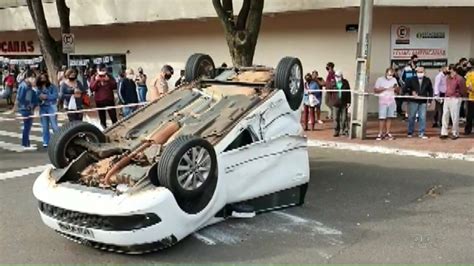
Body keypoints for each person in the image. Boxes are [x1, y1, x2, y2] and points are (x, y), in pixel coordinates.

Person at [403, 67, 433, 139]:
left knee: (422, 117)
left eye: (422, 72)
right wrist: (411, 92)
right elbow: (405, 89)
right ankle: (410, 132)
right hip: (413, 101)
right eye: (419, 72)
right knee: (411, 117)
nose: (420, 73)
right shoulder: (410, 79)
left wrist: (430, 101)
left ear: (424, 72)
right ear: (416, 72)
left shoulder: (427, 80)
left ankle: (421, 133)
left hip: (423, 102)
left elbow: (431, 90)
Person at [440, 65, 467, 140]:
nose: (447, 70)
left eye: (448, 69)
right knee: (445, 115)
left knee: (454, 116)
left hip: (455, 98)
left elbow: (463, 89)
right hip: (447, 97)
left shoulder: (460, 78)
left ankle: (455, 133)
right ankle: (444, 132)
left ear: (452, 70)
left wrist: (460, 96)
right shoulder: (447, 78)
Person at [374, 68, 399, 140]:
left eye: (391, 75)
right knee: (382, 117)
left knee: (389, 117)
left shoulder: (394, 80)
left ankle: (387, 132)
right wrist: (384, 88)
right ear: (386, 73)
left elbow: (397, 89)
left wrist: (396, 88)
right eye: (389, 74)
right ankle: (380, 133)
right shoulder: (380, 79)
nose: (390, 76)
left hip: (391, 101)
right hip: (383, 101)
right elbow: (375, 90)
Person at [36, 73, 59, 147]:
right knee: (45, 126)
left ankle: (58, 140)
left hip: (51, 106)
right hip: (42, 107)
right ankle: (46, 141)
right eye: (41, 78)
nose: (43, 80)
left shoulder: (52, 87)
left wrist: (46, 96)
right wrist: (39, 97)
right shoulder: (38, 88)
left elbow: (55, 96)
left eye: (44, 78)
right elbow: (36, 97)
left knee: (54, 125)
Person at [16, 72, 38, 150]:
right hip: (26, 108)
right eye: (32, 78)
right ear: (27, 78)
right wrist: (27, 106)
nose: (34, 80)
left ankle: (26, 143)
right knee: (27, 126)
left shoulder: (28, 86)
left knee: (28, 126)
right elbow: (21, 98)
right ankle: (25, 144)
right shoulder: (24, 86)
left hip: (28, 107)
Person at [327, 70, 351, 137]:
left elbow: (348, 92)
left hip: (343, 102)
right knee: (336, 118)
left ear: (341, 76)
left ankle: (344, 130)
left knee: (344, 118)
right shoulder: (333, 82)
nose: (336, 77)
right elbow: (328, 91)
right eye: (335, 76)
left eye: (338, 76)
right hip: (335, 103)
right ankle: (336, 131)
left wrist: (349, 102)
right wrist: (330, 101)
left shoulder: (345, 82)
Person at [464, 59, 474, 135]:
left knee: (469, 115)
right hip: (471, 98)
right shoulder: (469, 74)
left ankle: (468, 130)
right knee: (469, 115)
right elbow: (468, 86)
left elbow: (469, 86)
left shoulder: (469, 74)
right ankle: (468, 130)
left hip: (471, 98)